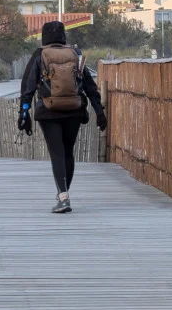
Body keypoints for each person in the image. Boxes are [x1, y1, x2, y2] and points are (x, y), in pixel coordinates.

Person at [18, 21, 108, 213]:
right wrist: (99, 112)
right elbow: (90, 87)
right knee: (68, 152)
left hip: (48, 111)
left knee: (56, 153)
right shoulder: (75, 54)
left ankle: (63, 196)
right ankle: (64, 193)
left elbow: (28, 88)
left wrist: (23, 113)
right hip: (73, 110)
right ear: (63, 36)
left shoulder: (39, 55)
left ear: (44, 37)